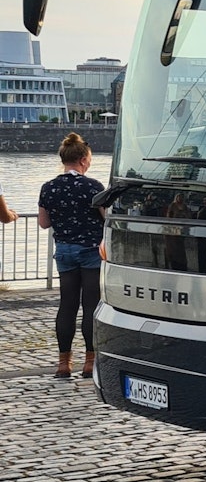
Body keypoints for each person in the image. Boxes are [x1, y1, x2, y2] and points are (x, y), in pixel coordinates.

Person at [37, 133, 106, 380]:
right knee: (90, 305)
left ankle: (63, 363)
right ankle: (90, 362)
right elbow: (107, 217)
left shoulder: (49, 187)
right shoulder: (93, 186)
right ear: (83, 159)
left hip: (64, 251)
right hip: (90, 252)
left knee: (67, 306)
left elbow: (44, 223)